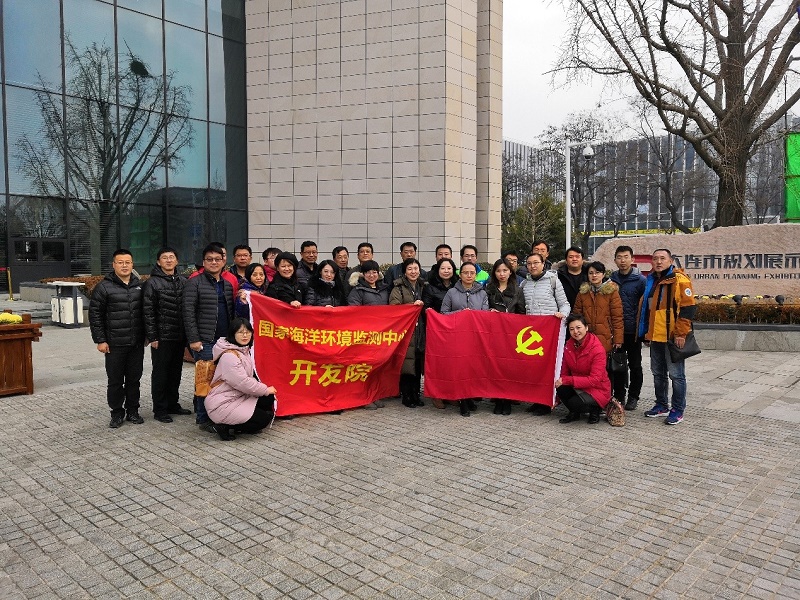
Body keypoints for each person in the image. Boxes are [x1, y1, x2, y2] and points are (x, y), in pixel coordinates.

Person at [638, 248, 696, 425]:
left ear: (671, 261)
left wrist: (681, 334)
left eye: (662, 258)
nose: (658, 262)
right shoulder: (652, 280)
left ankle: (678, 409)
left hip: (672, 336)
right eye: (655, 258)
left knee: (676, 375)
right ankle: (661, 405)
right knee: (658, 373)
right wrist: (647, 333)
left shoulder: (679, 279)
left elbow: (688, 308)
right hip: (656, 336)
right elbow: (649, 310)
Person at [89, 249, 146, 429]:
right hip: (114, 344)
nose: (124, 265)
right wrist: (100, 340)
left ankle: (133, 411)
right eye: (120, 262)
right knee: (115, 381)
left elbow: (146, 313)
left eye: (127, 262)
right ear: (113, 265)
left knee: (134, 380)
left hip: (136, 343)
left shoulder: (140, 286)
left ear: (132, 264)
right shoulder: (104, 287)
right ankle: (116, 413)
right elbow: (95, 315)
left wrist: (147, 336)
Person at [184, 243, 235, 433]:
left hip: (224, 341)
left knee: (221, 379)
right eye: (210, 259)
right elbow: (188, 312)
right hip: (204, 340)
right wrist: (193, 339)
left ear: (223, 262)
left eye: (217, 259)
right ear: (203, 262)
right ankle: (203, 418)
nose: (214, 262)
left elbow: (231, 312)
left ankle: (218, 413)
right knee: (204, 379)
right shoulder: (194, 283)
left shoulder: (227, 285)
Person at [204, 318, 277, 441]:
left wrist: (266, 391)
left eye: (248, 332)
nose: (245, 335)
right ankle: (223, 426)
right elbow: (243, 383)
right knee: (263, 420)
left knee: (268, 398)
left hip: (237, 396)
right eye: (240, 332)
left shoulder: (243, 350)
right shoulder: (229, 356)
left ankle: (240, 424)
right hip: (223, 403)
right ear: (233, 334)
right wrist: (265, 389)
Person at [142, 246, 191, 423]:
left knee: (175, 372)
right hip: (161, 337)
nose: (169, 260)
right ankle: (160, 409)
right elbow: (148, 311)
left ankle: (173, 404)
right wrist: (152, 336)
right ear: (158, 262)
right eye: (164, 257)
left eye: (171, 257)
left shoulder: (184, 281)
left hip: (179, 336)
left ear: (177, 261)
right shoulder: (152, 283)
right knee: (161, 373)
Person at [522, 252, 570, 415]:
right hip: (531, 333)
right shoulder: (525, 283)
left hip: (548, 333)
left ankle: (546, 402)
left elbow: (565, 304)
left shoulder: (553, 280)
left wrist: (562, 315)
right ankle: (536, 400)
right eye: (529, 263)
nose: (533, 266)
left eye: (536, 262)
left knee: (547, 369)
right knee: (533, 368)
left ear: (543, 264)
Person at [441, 262, 489, 417]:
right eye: (465, 272)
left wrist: (473, 315)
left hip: (475, 338)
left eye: (472, 273)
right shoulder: (451, 292)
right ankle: (463, 401)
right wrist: (461, 314)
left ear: (476, 275)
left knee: (473, 369)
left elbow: (485, 315)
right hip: (457, 337)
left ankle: (470, 398)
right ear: (460, 275)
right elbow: (443, 313)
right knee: (461, 369)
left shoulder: (482, 293)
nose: (469, 275)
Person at [572, 261, 624, 392]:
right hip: (586, 339)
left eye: (597, 272)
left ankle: (607, 397)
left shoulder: (612, 292)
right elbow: (576, 316)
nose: (594, 275)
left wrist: (618, 339)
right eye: (591, 273)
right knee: (587, 369)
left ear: (603, 274)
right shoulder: (582, 293)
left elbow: (617, 317)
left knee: (605, 371)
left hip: (605, 337)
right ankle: (590, 398)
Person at [485, 258, 526, 416]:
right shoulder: (488, 289)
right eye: (498, 271)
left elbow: (522, 313)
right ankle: (497, 398)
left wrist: (511, 320)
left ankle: (507, 399)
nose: (502, 274)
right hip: (493, 333)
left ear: (510, 272)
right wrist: (490, 312)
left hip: (511, 334)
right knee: (495, 366)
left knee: (509, 367)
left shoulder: (517, 290)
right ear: (494, 273)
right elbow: (483, 309)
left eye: (505, 270)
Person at [555, 314, 612, 425]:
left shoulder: (597, 349)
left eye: (578, 327)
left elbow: (595, 380)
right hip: (578, 385)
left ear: (586, 327)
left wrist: (568, 380)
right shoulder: (568, 345)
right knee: (560, 388)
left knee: (574, 402)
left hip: (597, 389)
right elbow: (564, 371)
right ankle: (574, 413)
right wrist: (560, 384)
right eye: (571, 329)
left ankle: (595, 409)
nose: (575, 332)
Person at [610, 245, 646, 410]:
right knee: (617, 365)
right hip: (616, 330)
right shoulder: (611, 280)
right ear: (615, 260)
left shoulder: (641, 281)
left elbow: (645, 307)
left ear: (632, 259)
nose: (623, 260)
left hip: (633, 331)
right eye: (619, 257)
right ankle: (619, 396)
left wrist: (644, 330)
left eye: (626, 257)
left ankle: (633, 396)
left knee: (635, 365)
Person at [389, 257, 427, 408]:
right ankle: (407, 396)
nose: (413, 272)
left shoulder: (423, 286)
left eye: (416, 268)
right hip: (406, 332)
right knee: (407, 365)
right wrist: (412, 306)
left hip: (420, 330)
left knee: (417, 363)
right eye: (410, 269)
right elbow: (394, 309)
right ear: (404, 271)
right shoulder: (398, 288)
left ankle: (416, 394)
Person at [422, 257, 458, 409]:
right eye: (443, 268)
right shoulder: (430, 288)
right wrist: (433, 315)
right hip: (436, 331)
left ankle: (449, 393)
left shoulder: (458, 286)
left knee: (451, 364)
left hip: (455, 331)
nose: (446, 271)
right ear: (437, 271)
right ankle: (436, 394)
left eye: (449, 268)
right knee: (437, 364)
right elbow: (426, 308)